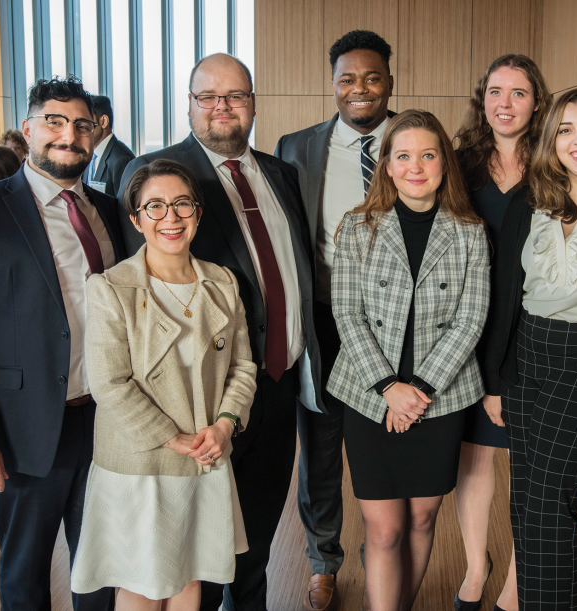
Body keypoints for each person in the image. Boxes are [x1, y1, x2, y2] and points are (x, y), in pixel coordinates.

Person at [118, 53, 322, 611]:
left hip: (276, 385)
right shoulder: (157, 177)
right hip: (197, 401)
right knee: (197, 548)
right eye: (207, 96)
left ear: (253, 103)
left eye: (234, 96)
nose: (222, 107)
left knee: (255, 536)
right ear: (189, 105)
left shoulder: (281, 174)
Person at [0, 76, 125, 611]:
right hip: (26, 428)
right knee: (25, 572)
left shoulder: (109, 211)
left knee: (103, 563)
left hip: (108, 423)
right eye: (54, 122)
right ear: (28, 129)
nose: (69, 135)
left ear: (95, 134)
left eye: (82, 125)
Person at [70, 159, 257, 610]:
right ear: (135, 219)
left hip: (206, 456)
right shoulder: (110, 287)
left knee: (190, 581)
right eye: (154, 207)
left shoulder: (222, 282)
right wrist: (174, 438)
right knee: (142, 586)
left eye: (181, 204)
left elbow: (243, 368)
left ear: (197, 211)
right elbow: (109, 383)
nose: (170, 217)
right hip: (142, 462)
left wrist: (227, 425)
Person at [328, 109, 489, 611]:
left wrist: (416, 391)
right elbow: (347, 314)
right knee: (384, 526)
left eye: (427, 154)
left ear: (444, 163)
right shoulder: (357, 227)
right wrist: (388, 389)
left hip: (438, 400)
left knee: (422, 520)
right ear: (387, 166)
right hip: (369, 396)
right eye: (403, 156)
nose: (415, 166)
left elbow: (471, 318)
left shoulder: (469, 231)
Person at [482, 87, 577, 611]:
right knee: (524, 504)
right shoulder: (530, 202)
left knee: (549, 506)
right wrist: (497, 380)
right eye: (565, 129)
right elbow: (505, 298)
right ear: (550, 141)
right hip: (527, 359)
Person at [274, 29, 395, 611]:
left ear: (389, 81)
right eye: (348, 79)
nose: (360, 89)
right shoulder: (295, 149)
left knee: (384, 444)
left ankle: (384, 555)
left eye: (372, 77)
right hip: (324, 323)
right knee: (319, 446)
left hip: (399, 326)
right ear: (333, 85)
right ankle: (324, 560)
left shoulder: (420, 140)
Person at [451, 53, 551, 611]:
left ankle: (513, 587)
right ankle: (474, 567)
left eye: (518, 93)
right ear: (481, 98)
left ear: (537, 102)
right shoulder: (461, 164)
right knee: (475, 456)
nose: (505, 103)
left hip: (535, 329)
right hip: (472, 325)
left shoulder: (558, 163)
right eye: (495, 91)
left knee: (529, 463)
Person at [87, 95, 135, 196]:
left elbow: (125, 206)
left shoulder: (121, 159)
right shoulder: (88, 156)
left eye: (86, 121)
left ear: (103, 121)